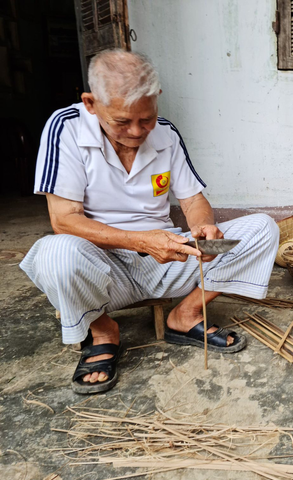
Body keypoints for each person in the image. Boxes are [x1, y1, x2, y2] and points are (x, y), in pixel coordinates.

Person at [20, 49, 279, 394]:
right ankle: (101, 331)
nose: (137, 131)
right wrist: (141, 241)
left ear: (155, 99)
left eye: (146, 118)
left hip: (167, 256)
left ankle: (185, 315)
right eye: (122, 122)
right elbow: (64, 220)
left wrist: (203, 226)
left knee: (262, 228)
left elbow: (192, 199)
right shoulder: (65, 128)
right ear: (91, 103)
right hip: (101, 272)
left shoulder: (166, 133)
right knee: (56, 254)